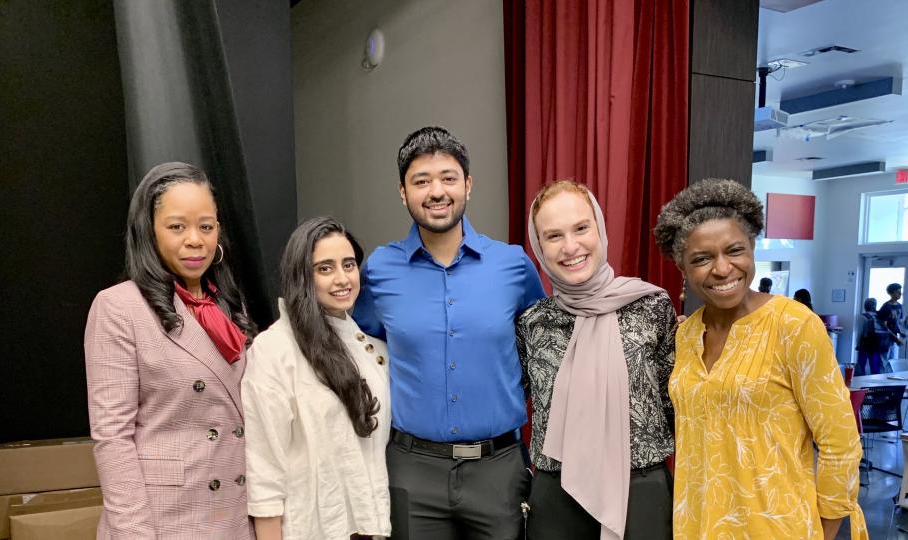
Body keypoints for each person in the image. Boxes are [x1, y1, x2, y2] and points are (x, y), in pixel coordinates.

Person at [352, 126, 545, 539]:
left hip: (498, 468)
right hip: (411, 469)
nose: (436, 191)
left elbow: (545, 352)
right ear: (403, 192)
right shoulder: (378, 271)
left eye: (448, 178)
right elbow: (357, 352)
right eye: (421, 181)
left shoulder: (512, 265)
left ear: (468, 185)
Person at [653, 178, 867, 540]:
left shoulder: (793, 324)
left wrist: (826, 531)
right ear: (683, 271)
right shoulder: (686, 336)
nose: (722, 269)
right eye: (702, 259)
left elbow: (841, 445)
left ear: (752, 249)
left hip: (777, 527)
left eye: (734, 250)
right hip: (698, 526)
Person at [84, 162, 257, 539]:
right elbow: (112, 438)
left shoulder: (227, 305)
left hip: (234, 516)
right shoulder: (119, 307)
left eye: (206, 226)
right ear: (149, 231)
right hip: (166, 521)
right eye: (177, 226)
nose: (195, 240)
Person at [517, 181, 676, 540]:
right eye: (553, 235)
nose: (570, 246)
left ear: (599, 228)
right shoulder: (532, 323)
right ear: (538, 246)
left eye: (581, 228)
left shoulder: (651, 306)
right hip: (557, 496)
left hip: (641, 492)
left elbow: (677, 405)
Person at [242, 217, 391, 540]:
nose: (342, 279)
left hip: (370, 529)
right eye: (325, 268)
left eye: (348, 265)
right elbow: (264, 469)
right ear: (302, 277)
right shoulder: (275, 350)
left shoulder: (372, 351)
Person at [854, 298, 886, 376]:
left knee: (861, 365)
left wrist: (858, 344)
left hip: (865, 344)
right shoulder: (879, 316)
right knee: (875, 367)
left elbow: (860, 332)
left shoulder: (862, 317)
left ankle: (860, 383)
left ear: (865, 306)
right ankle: (875, 385)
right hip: (877, 344)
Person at [876, 283, 905, 363]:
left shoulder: (899, 306)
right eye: (897, 292)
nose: (900, 294)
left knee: (893, 361)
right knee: (884, 362)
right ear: (891, 293)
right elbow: (883, 326)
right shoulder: (886, 307)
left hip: (894, 337)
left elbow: (897, 322)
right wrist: (896, 339)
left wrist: (900, 332)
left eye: (900, 292)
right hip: (886, 339)